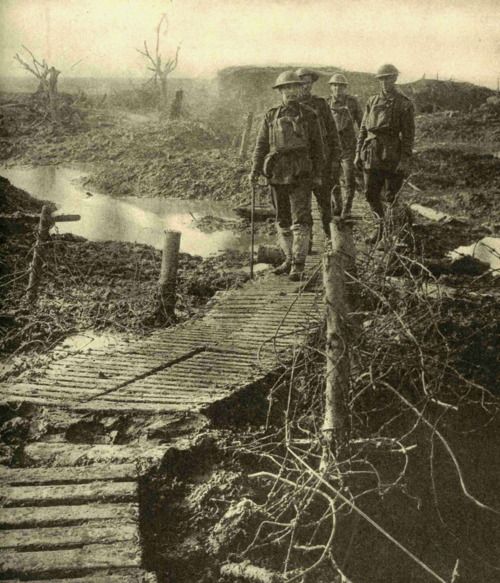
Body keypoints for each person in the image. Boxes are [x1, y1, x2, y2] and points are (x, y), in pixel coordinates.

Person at [249, 70, 324, 281]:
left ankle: (299, 265)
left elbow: (319, 147)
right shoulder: (271, 115)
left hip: (301, 170)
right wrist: (255, 169)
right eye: (286, 88)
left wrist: (318, 174)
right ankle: (289, 259)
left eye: (294, 87)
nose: (290, 92)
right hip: (277, 171)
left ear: (300, 89)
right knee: (282, 218)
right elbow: (261, 145)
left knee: (300, 218)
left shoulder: (310, 115)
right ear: (280, 91)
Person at [355, 64, 415, 242]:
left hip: (392, 154)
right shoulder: (372, 101)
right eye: (381, 79)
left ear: (395, 79)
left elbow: (409, 136)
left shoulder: (404, 104)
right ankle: (379, 228)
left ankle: (392, 234)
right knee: (370, 193)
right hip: (371, 153)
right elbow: (363, 130)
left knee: (391, 196)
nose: (385, 82)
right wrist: (358, 153)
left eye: (388, 78)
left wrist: (404, 159)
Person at [295, 67, 343, 236]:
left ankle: (330, 239)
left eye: (308, 83)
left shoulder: (321, 105)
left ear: (312, 84)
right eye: (301, 83)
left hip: (322, 162)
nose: (305, 87)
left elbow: (332, 133)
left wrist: (336, 158)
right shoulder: (292, 107)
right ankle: (305, 245)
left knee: (324, 204)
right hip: (300, 166)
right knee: (302, 208)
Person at [327, 73, 362, 216]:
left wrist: (361, 144)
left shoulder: (352, 103)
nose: (337, 89)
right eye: (334, 85)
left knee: (349, 178)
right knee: (333, 177)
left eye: (341, 86)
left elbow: (362, 123)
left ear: (345, 88)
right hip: (333, 148)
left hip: (348, 147)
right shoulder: (326, 103)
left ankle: (347, 208)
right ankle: (338, 205)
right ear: (331, 88)